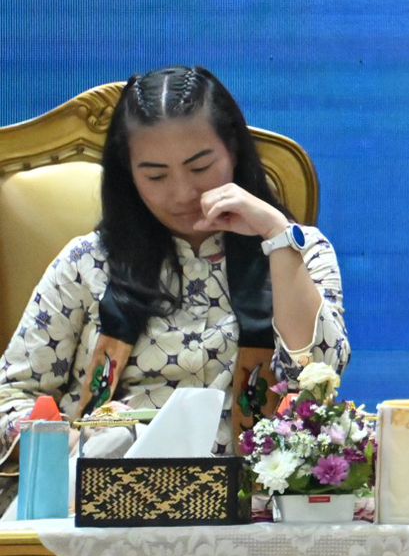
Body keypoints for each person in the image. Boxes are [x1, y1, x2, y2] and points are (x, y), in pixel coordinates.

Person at [0, 65, 350, 510]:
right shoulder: (87, 262)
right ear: (128, 174)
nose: (182, 192)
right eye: (155, 175)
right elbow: (11, 395)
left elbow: (318, 380)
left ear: (234, 152)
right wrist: (73, 442)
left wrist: (277, 238)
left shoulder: (299, 250)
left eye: (200, 167)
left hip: (248, 508)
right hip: (100, 506)